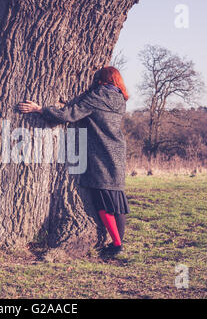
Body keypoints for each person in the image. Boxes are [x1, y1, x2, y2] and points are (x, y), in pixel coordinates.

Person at [17, 66, 130, 257]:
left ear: (101, 80)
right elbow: (91, 113)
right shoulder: (120, 100)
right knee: (117, 199)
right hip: (117, 152)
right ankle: (118, 243)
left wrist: (40, 109)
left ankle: (117, 245)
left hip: (100, 154)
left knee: (102, 200)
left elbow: (67, 116)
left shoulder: (96, 96)